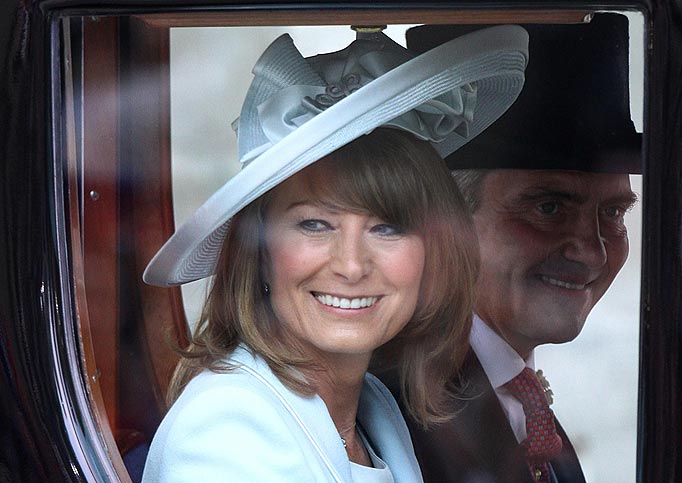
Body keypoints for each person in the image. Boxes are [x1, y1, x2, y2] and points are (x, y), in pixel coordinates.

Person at [140, 26, 529, 482]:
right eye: (315, 225)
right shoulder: (226, 428)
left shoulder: (373, 408)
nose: (350, 265)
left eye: (387, 227)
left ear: (435, 254)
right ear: (260, 250)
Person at [394, 14, 641, 483]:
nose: (593, 253)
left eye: (613, 214)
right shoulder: (396, 400)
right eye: (548, 208)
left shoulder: (513, 392)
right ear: (443, 219)